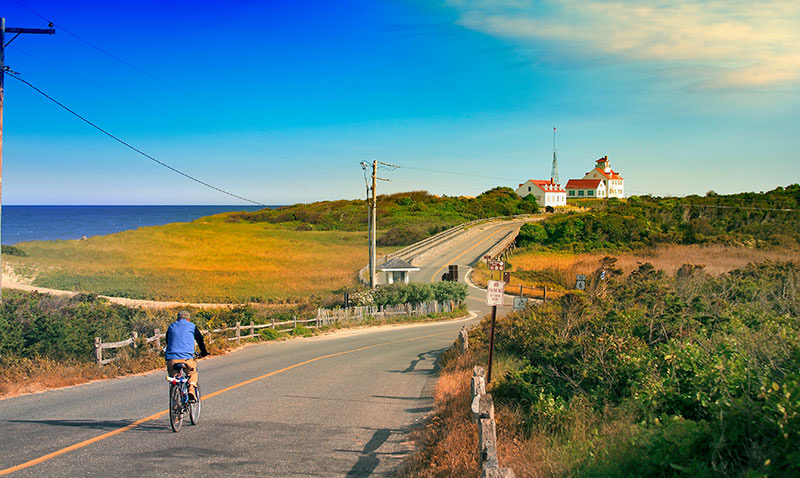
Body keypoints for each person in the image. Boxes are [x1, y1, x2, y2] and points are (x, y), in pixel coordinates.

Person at [165, 310, 208, 402]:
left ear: (178, 318)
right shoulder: (192, 326)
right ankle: (191, 389)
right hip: (187, 358)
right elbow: (200, 339)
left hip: (172, 359)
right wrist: (203, 352)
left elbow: (168, 340)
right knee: (192, 372)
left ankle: (175, 401)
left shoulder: (171, 326)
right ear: (188, 319)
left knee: (174, 380)